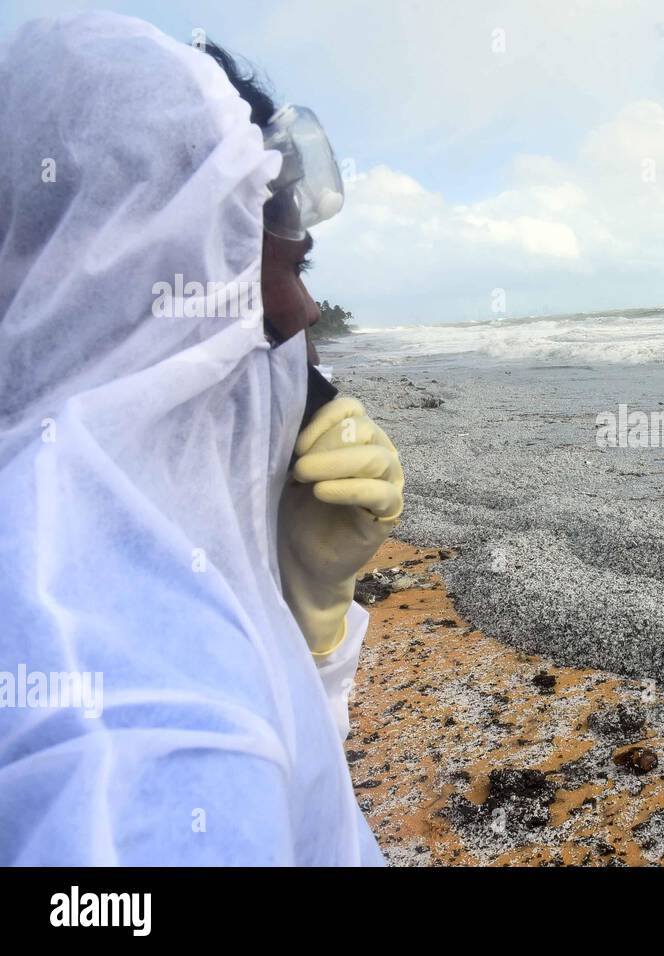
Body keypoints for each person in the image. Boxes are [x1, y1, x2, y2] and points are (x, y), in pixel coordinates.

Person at [0, 11, 397, 864]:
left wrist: (312, 619)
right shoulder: (136, 730)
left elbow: (296, 809)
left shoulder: (83, 524)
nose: (302, 310)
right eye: (285, 265)